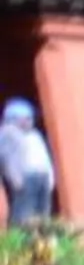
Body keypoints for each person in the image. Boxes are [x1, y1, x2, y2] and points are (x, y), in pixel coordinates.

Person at [1, 97, 55, 226]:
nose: (28, 122)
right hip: (25, 177)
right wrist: (15, 178)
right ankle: (20, 234)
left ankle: (41, 233)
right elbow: (7, 160)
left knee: (43, 210)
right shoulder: (9, 135)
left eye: (30, 118)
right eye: (24, 119)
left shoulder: (35, 135)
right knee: (24, 211)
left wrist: (50, 176)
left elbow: (44, 157)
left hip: (42, 176)